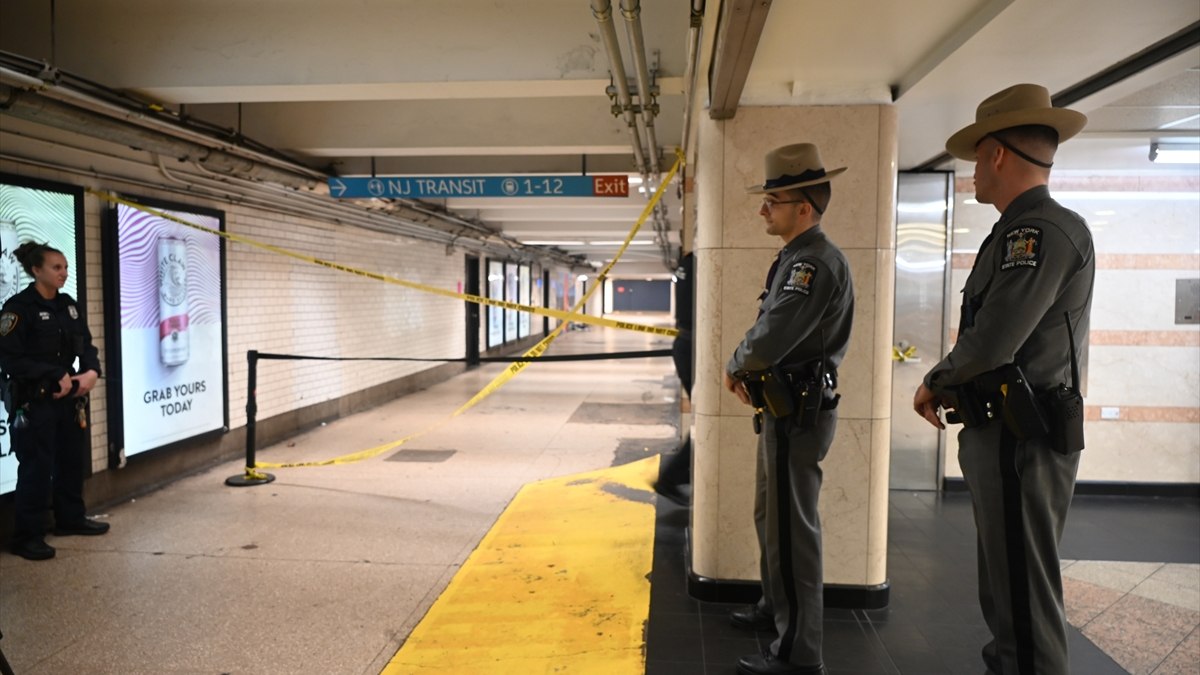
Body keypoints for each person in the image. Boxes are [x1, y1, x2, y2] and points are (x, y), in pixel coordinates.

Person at [913, 83, 1094, 675]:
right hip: (1006, 434)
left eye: (974, 158)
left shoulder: (1039, 232)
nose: (970, 173)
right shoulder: (1018, 230)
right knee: (1008, 590)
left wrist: (936, 378)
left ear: (996, 155)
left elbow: (994, 339)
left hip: (1023, 438)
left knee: (1022, 594)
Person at [724, 143, 854, 675]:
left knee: (794, 528)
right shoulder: (798, 258)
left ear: (804, 207)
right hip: (784, 408)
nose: (763, 210)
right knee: (772, 516)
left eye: (772, 200)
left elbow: (773, 333)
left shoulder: (813, 264)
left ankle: (799, 654)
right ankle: (777, 609)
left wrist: (736, 364)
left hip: (798, 412)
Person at [0, 241, 106, 561]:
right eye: (56, 268)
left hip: (68, 399)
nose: (64, 273)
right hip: (35, 402)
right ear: (36, 270)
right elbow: (10, 360)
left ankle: (70, 519)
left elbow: (85, 345)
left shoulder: (68, 306)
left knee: (71, 460)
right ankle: (27, 535)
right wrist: (52, 372)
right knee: (36, 467)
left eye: (65, 267)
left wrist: (91, 371)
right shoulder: (18, 308)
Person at [653, 250, 693, 506]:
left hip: (685, 343)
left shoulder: (688, 262)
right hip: (691, 346)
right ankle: (672, 476)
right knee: (707, 419)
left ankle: (675, 475)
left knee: (704, 418)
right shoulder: (699, 262)